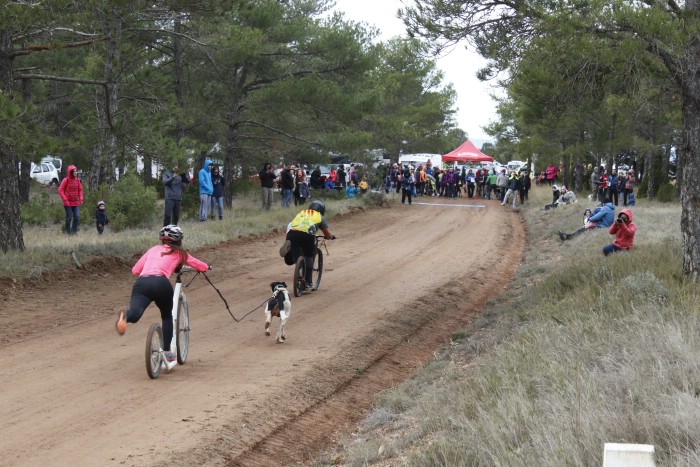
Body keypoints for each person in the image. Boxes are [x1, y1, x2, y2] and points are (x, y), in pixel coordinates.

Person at [115, 225, 210, 364]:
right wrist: (207, 267)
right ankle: (167, 352)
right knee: (166, 316)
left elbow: (135, 270)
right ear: (179, 240)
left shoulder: (152, 249)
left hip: (142, 283)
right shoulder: (179, 253)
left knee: (135, 314)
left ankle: (125, 316)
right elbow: (199, 265)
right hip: (161, 283)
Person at [279, 200, 335, 291]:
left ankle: (290, 254)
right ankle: (308, 282)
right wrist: (331, 237)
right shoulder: (319, 216)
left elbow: (291, 224)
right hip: (307, 235)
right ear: (321, 210)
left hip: (291, 233)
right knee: (309, 256)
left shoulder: (302, 212)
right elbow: (327, 233)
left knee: (297, 257)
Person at [58, 164, 83, 234]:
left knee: (76, 217)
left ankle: (74, 232)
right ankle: (68, 232)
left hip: (75, 202)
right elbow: (60, 190)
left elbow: (80, 190)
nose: (75, 172)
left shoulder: (78, 180)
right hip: (68, 203)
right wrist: (65, 200)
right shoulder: (65, 180)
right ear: (70, 172)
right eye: (74, 171)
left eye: (76, 171)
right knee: (69, 217)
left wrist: (81, 199)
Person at [163, 161, 190, 226]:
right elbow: (165, 182)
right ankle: (165, 230)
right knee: (168, 215)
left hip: (178, 198)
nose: (175, 167)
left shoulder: (180, 174)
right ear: (171, 166)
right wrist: (172, 177)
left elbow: (188, 181)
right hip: (170, 197)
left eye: (177, 165)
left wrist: (183, 174)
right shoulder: (167, 173)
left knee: (176, 216)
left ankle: (174, 230)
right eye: (174, 165)